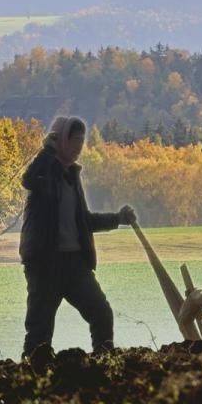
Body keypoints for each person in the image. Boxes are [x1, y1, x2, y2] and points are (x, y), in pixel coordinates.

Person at [19, 115, 136, 361]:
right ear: (60, 141)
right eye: (74, 141)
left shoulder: (72, 176)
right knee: (39, 332)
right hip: (45, 264)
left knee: (101, 314)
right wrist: (47, 151)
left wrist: (118, 218)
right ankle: (30, 376)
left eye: (82, 141)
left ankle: (104, 365)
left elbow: (84, 221)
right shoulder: (44, 172)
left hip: (75, 264)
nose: (79, 147)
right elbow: (28, 180)